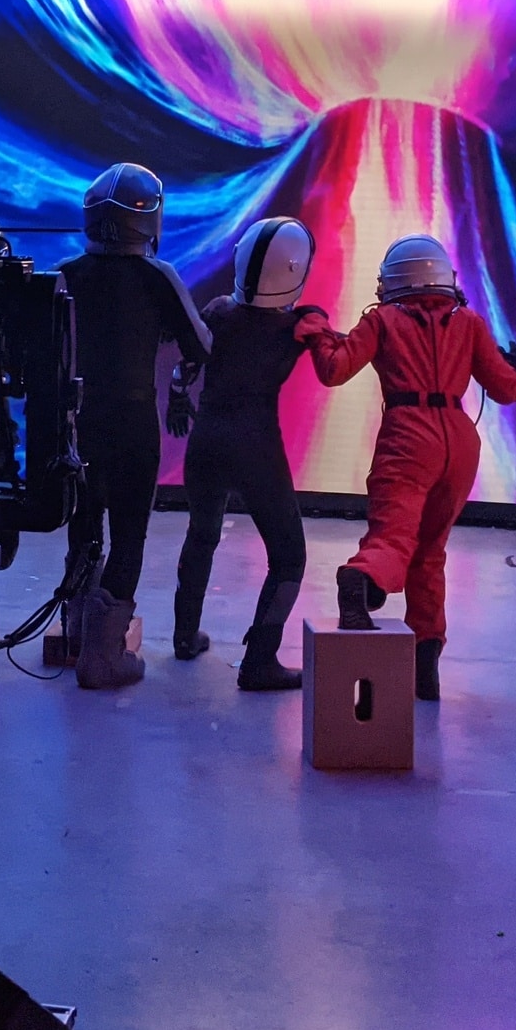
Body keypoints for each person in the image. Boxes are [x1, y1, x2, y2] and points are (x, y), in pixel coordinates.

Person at [306, 235, 516, 701]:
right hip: (459, 441)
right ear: (445, 278)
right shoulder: (468, 322)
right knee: (431, 552)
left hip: (408, 437)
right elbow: (508, 390)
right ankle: (425, 669)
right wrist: (515, 368)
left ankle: (363, 580)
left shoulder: (382, 320)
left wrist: (316, 329)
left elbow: (334, 369)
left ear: (391, 282)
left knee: (393, 536)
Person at [56, 165, 210, 691]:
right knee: (128, 533)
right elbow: (201, 345)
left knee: (83, 524)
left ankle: (76, 631)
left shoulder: (65, 275)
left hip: (76, 421)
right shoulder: (156, 276)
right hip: (132, 420)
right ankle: (103, 655)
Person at [166, 218, 332, 693]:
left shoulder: (218, 310)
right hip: (256, 445)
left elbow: (185, 364)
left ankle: (183, 635)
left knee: (201, 536)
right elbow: (335, 357)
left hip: (207, 440)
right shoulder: (298, 326)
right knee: (289, 556)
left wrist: (179, 397)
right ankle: (259, 659)